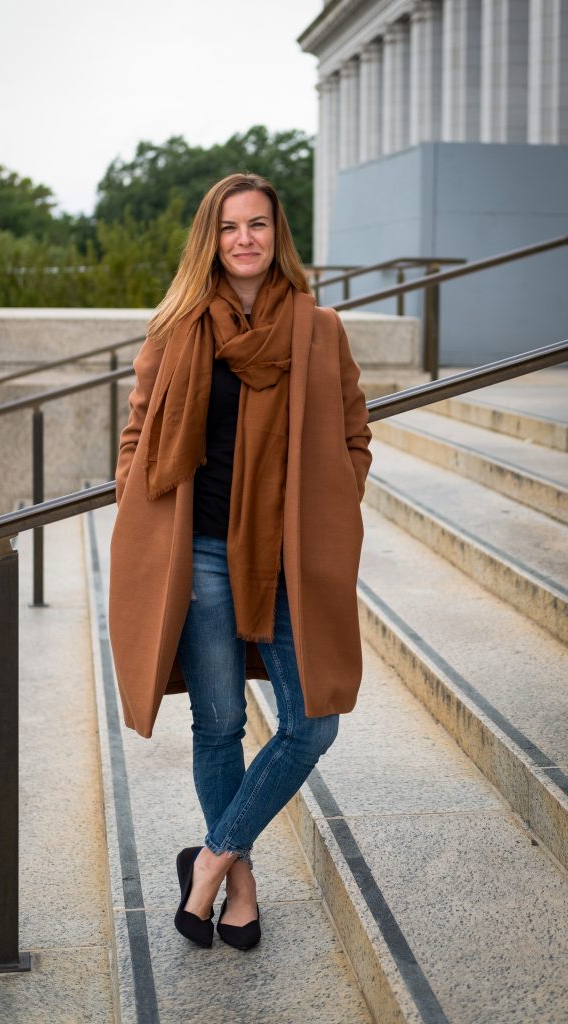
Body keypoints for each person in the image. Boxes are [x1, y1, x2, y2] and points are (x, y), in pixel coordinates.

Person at [108, 172, 372, 952]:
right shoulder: (177, 328)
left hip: (292, 558)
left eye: (258, 224)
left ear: (277, 235)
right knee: (218, 723)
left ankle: (212, 859)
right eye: (230, 227)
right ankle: (242, 886)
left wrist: (334, 503)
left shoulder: (319, 330)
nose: (245, 239)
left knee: (311, 724)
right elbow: (137, 437)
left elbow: (355, 434)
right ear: (210, 240)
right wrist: (136, 502)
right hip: (202, 556)